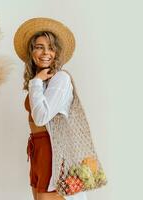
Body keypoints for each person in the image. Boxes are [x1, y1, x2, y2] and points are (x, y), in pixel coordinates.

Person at [14, 17, 88, 200]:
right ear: (32, 51)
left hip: (53, 150)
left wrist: (36, 82)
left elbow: (41, 117)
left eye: (51, 47)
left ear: (56, 52)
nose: (45, 52)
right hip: (37, 149)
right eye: (39, 47)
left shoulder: (60, 79)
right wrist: (37, 81)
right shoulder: (41, 80)